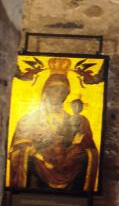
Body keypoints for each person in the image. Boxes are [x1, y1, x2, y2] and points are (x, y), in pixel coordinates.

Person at [8, 58, 99, 194]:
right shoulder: (28, 119)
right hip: (39, 166)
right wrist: (37, 152)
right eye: (56, 90)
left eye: (63, 91)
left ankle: (75, 195)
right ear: (46, 91)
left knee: (85, 156)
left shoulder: (78, 121)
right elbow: (17, 149)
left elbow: (90, 149)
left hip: (68, 165)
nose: (59, 94)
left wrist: (74, 151)